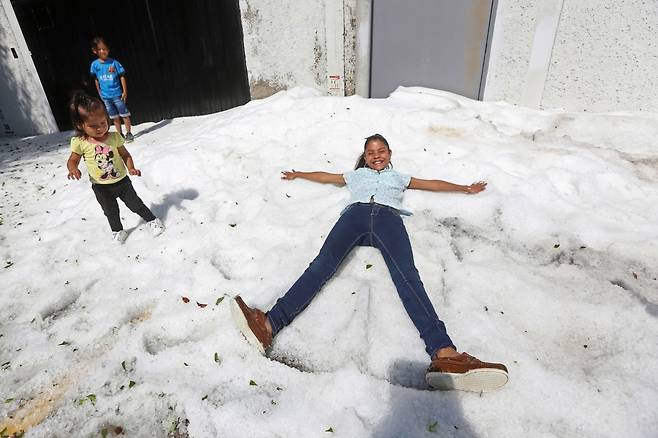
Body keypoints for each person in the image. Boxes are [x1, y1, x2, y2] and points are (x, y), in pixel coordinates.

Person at [231, 133, 508, 392]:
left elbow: (432, 183)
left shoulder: (399, 177)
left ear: (389, 153)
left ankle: (445, 354)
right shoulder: (356, 176)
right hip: (355, 216)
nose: (376, 155)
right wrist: (299, 174)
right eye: (371, 151)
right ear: (364, 156)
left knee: (407, 277)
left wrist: (465, 188)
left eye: (381, 150)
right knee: (321, 266)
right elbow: (327, 177)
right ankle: (268, 325)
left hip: (389, 220)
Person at [66, 92, 164, 243]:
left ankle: (152, 220)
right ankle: (118, 231)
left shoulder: (114, 137)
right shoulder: (80, 142)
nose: (100, 128)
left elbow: (125, 155)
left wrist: (131, 168)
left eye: (103, 123)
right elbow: (73, 159)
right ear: (81, 125)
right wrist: (73, 168)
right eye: (93, 126)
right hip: (101, 187)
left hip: (122, 182)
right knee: (110, 211)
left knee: (135, 204)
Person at [90, 37, 134, 142]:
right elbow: (96, 79)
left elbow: (122, 76)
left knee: (124, 114)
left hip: (117, 95)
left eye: (105, 49)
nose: (103, 51)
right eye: (100, 49)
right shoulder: (94, 65)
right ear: (95, 51)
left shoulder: (114, 63)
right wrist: (99, 92)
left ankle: (129, 133)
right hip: (106, 97)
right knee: (114, 117)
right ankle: (120, 135)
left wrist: (125, 92)